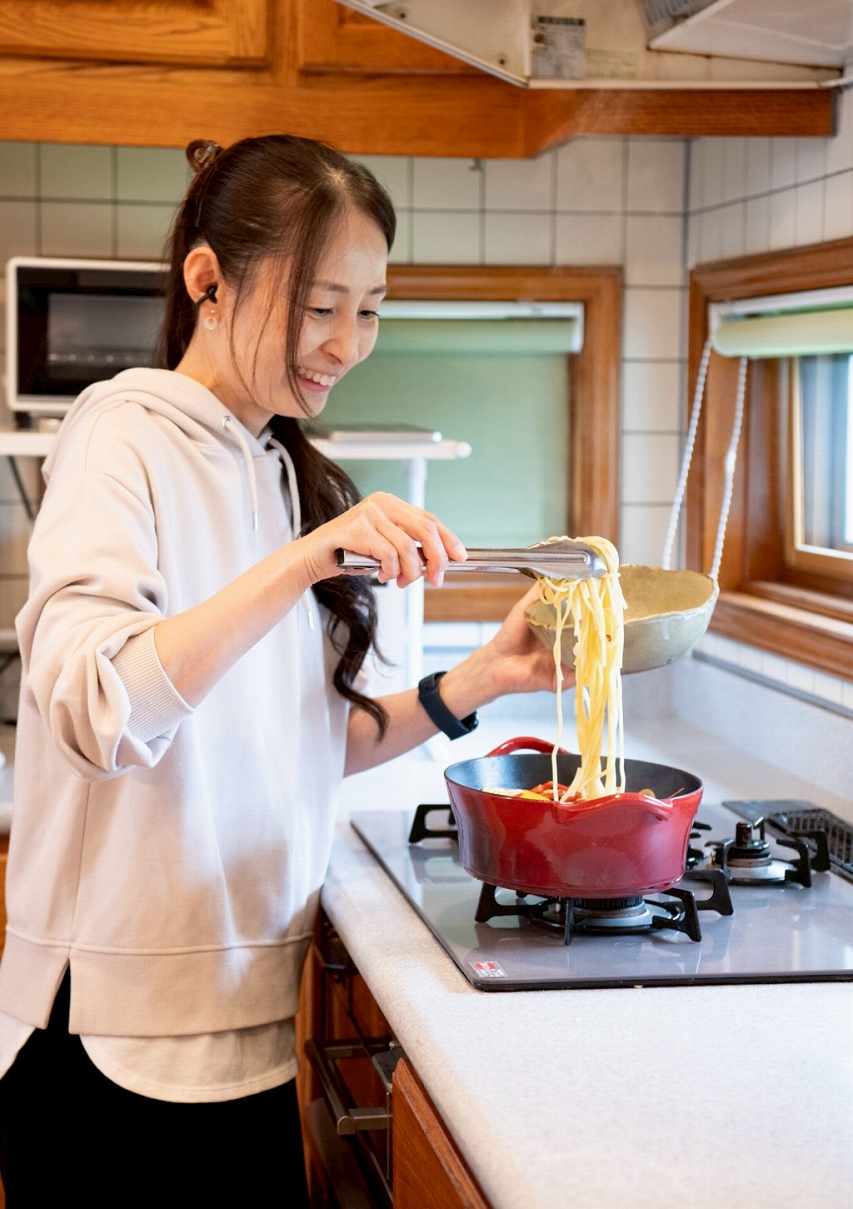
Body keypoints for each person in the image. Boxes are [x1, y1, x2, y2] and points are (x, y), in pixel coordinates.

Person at [0, 134, 566, 1205]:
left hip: (252, 1022)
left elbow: (307, 743)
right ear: (207, 278)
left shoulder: (276, 464)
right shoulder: (122, 429)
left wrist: (482, 677)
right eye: (319, 305)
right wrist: (305, 557)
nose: (347, 341)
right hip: (118, 1046)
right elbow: (97, 705)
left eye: (370, 306)